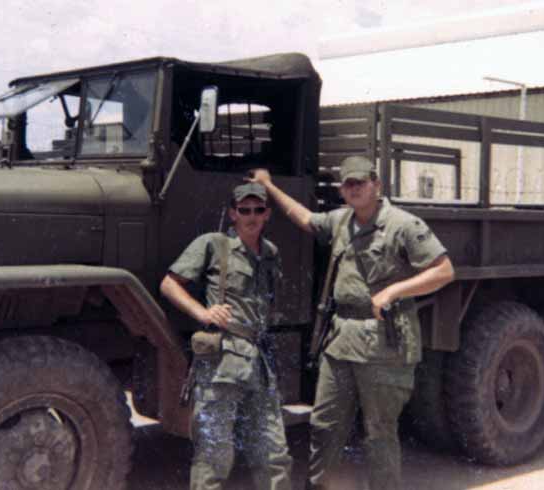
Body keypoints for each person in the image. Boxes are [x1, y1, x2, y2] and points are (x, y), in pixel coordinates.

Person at [250, 156, 455, 490]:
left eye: (361, 182)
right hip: (341, 339)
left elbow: (444, 270)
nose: (355, 188)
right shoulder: (341, 220)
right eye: (348, 183)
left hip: (385, 344)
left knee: (379, 433)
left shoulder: (403, 225)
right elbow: (305, 218)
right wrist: (269, 186)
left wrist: (393, 291)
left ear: (377, 184)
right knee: (324, 425)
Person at [159, 182, 292, 490]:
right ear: (233, 213)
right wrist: (202, 313)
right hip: (222, 365)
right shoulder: (213, 245)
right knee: (215, 454)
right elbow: (169, 284)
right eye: (244, 210)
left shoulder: (271, 253)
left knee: (274, 453)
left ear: (267, 214)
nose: (252, 216)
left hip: (259, 363)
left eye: (258, 210)